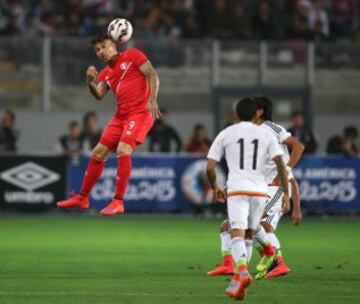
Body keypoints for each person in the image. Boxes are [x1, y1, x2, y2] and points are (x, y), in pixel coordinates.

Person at [57, 33, 160, 216]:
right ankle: (82, 197)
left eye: (104, 47)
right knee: (98, 152)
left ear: (114, 44)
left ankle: (118, 201)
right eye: (97, 50)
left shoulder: (133, 55)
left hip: (141, 112)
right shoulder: (105, 73)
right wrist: (90, 82)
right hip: (121, 116)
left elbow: (152, 74)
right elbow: (98, 95)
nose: (100, 52)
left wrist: (152, 100)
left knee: (123, 149)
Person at [208, 96, 304, 280]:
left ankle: (277, 262)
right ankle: (230, 264)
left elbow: (298, 146)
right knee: (228, 227)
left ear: (259, 111)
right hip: (258, 186)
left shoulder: (271, 129)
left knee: (258, 225)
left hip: (274, 187)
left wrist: (287, 174)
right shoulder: (249, 133)